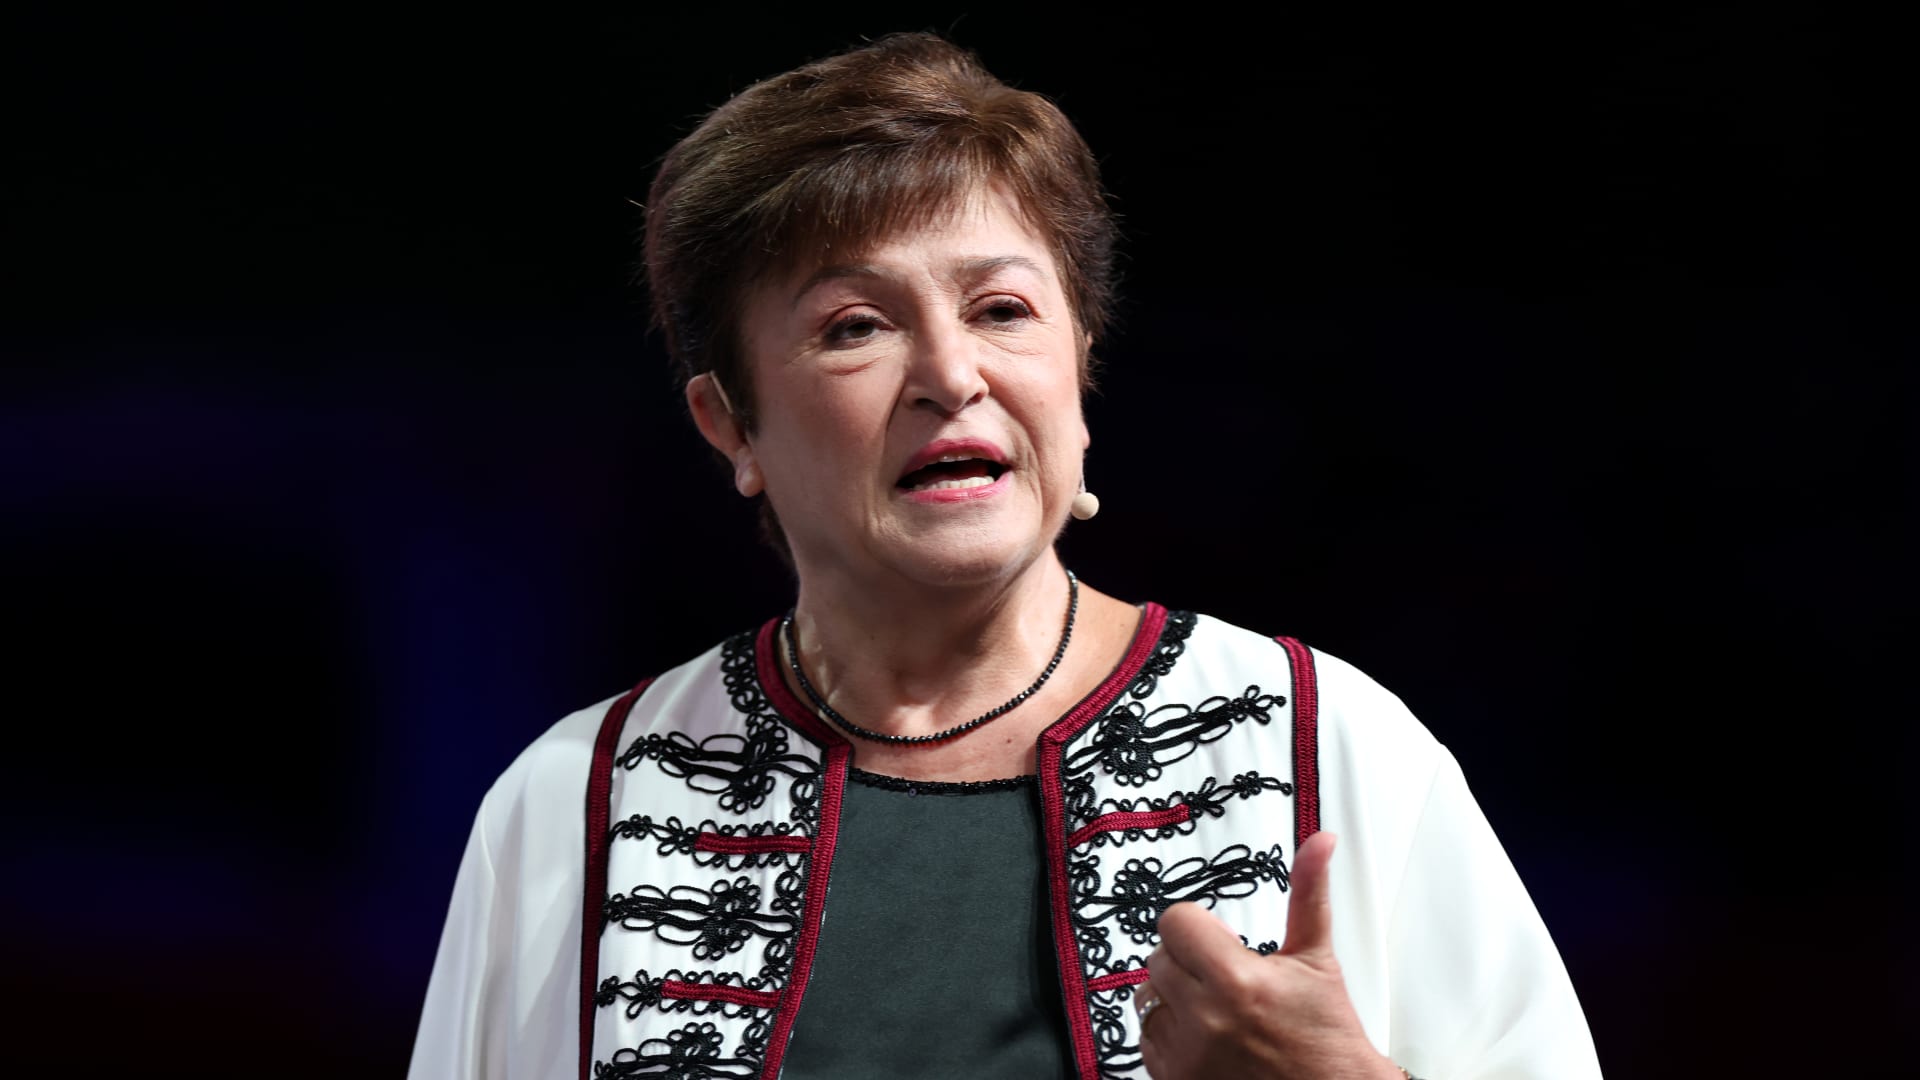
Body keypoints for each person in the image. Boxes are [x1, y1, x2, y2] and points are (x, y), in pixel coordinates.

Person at [408, 32, 1602, 1080]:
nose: (952, 373)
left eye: (1002, 310)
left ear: (1080, 367)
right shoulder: (577, 802)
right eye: (856, 326)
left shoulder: (1329, 746)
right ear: (731, 425)